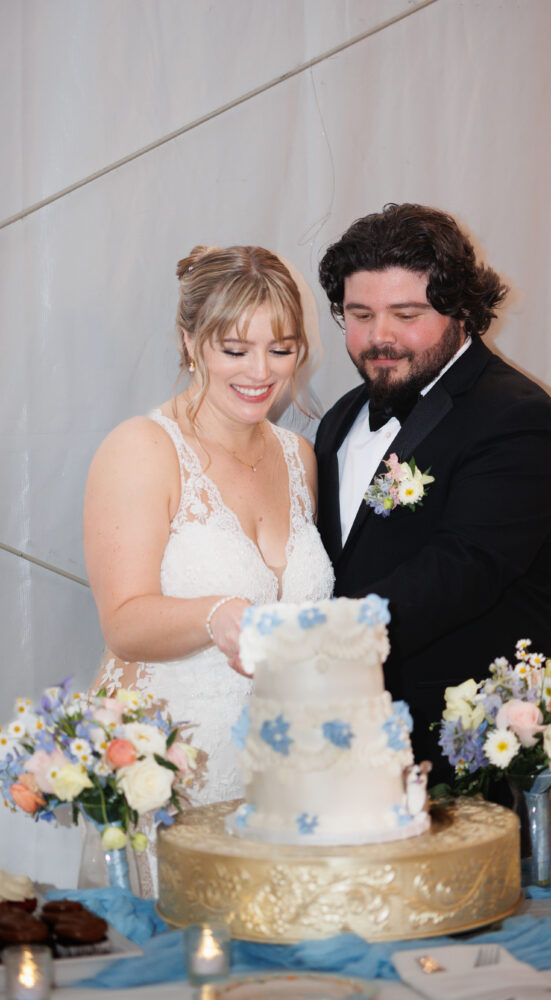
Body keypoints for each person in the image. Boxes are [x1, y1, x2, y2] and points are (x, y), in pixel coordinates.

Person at [315, 203, 551, 786]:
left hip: (465, 756)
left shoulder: (517, 417)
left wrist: (314, 639)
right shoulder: (341, 417)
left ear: (462, 310)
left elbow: (463, 569)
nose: (379, 337)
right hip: (346, 747)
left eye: (405, 313)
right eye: (360, 314)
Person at [84, 245, 334, 817]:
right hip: (170, 775)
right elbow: (123, 623)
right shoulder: (143, 448)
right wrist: (215, 612)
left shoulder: (299, 456)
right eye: (235, 349)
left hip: (280, 779)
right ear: (189, 341)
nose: (261, 372)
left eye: (281, 349)